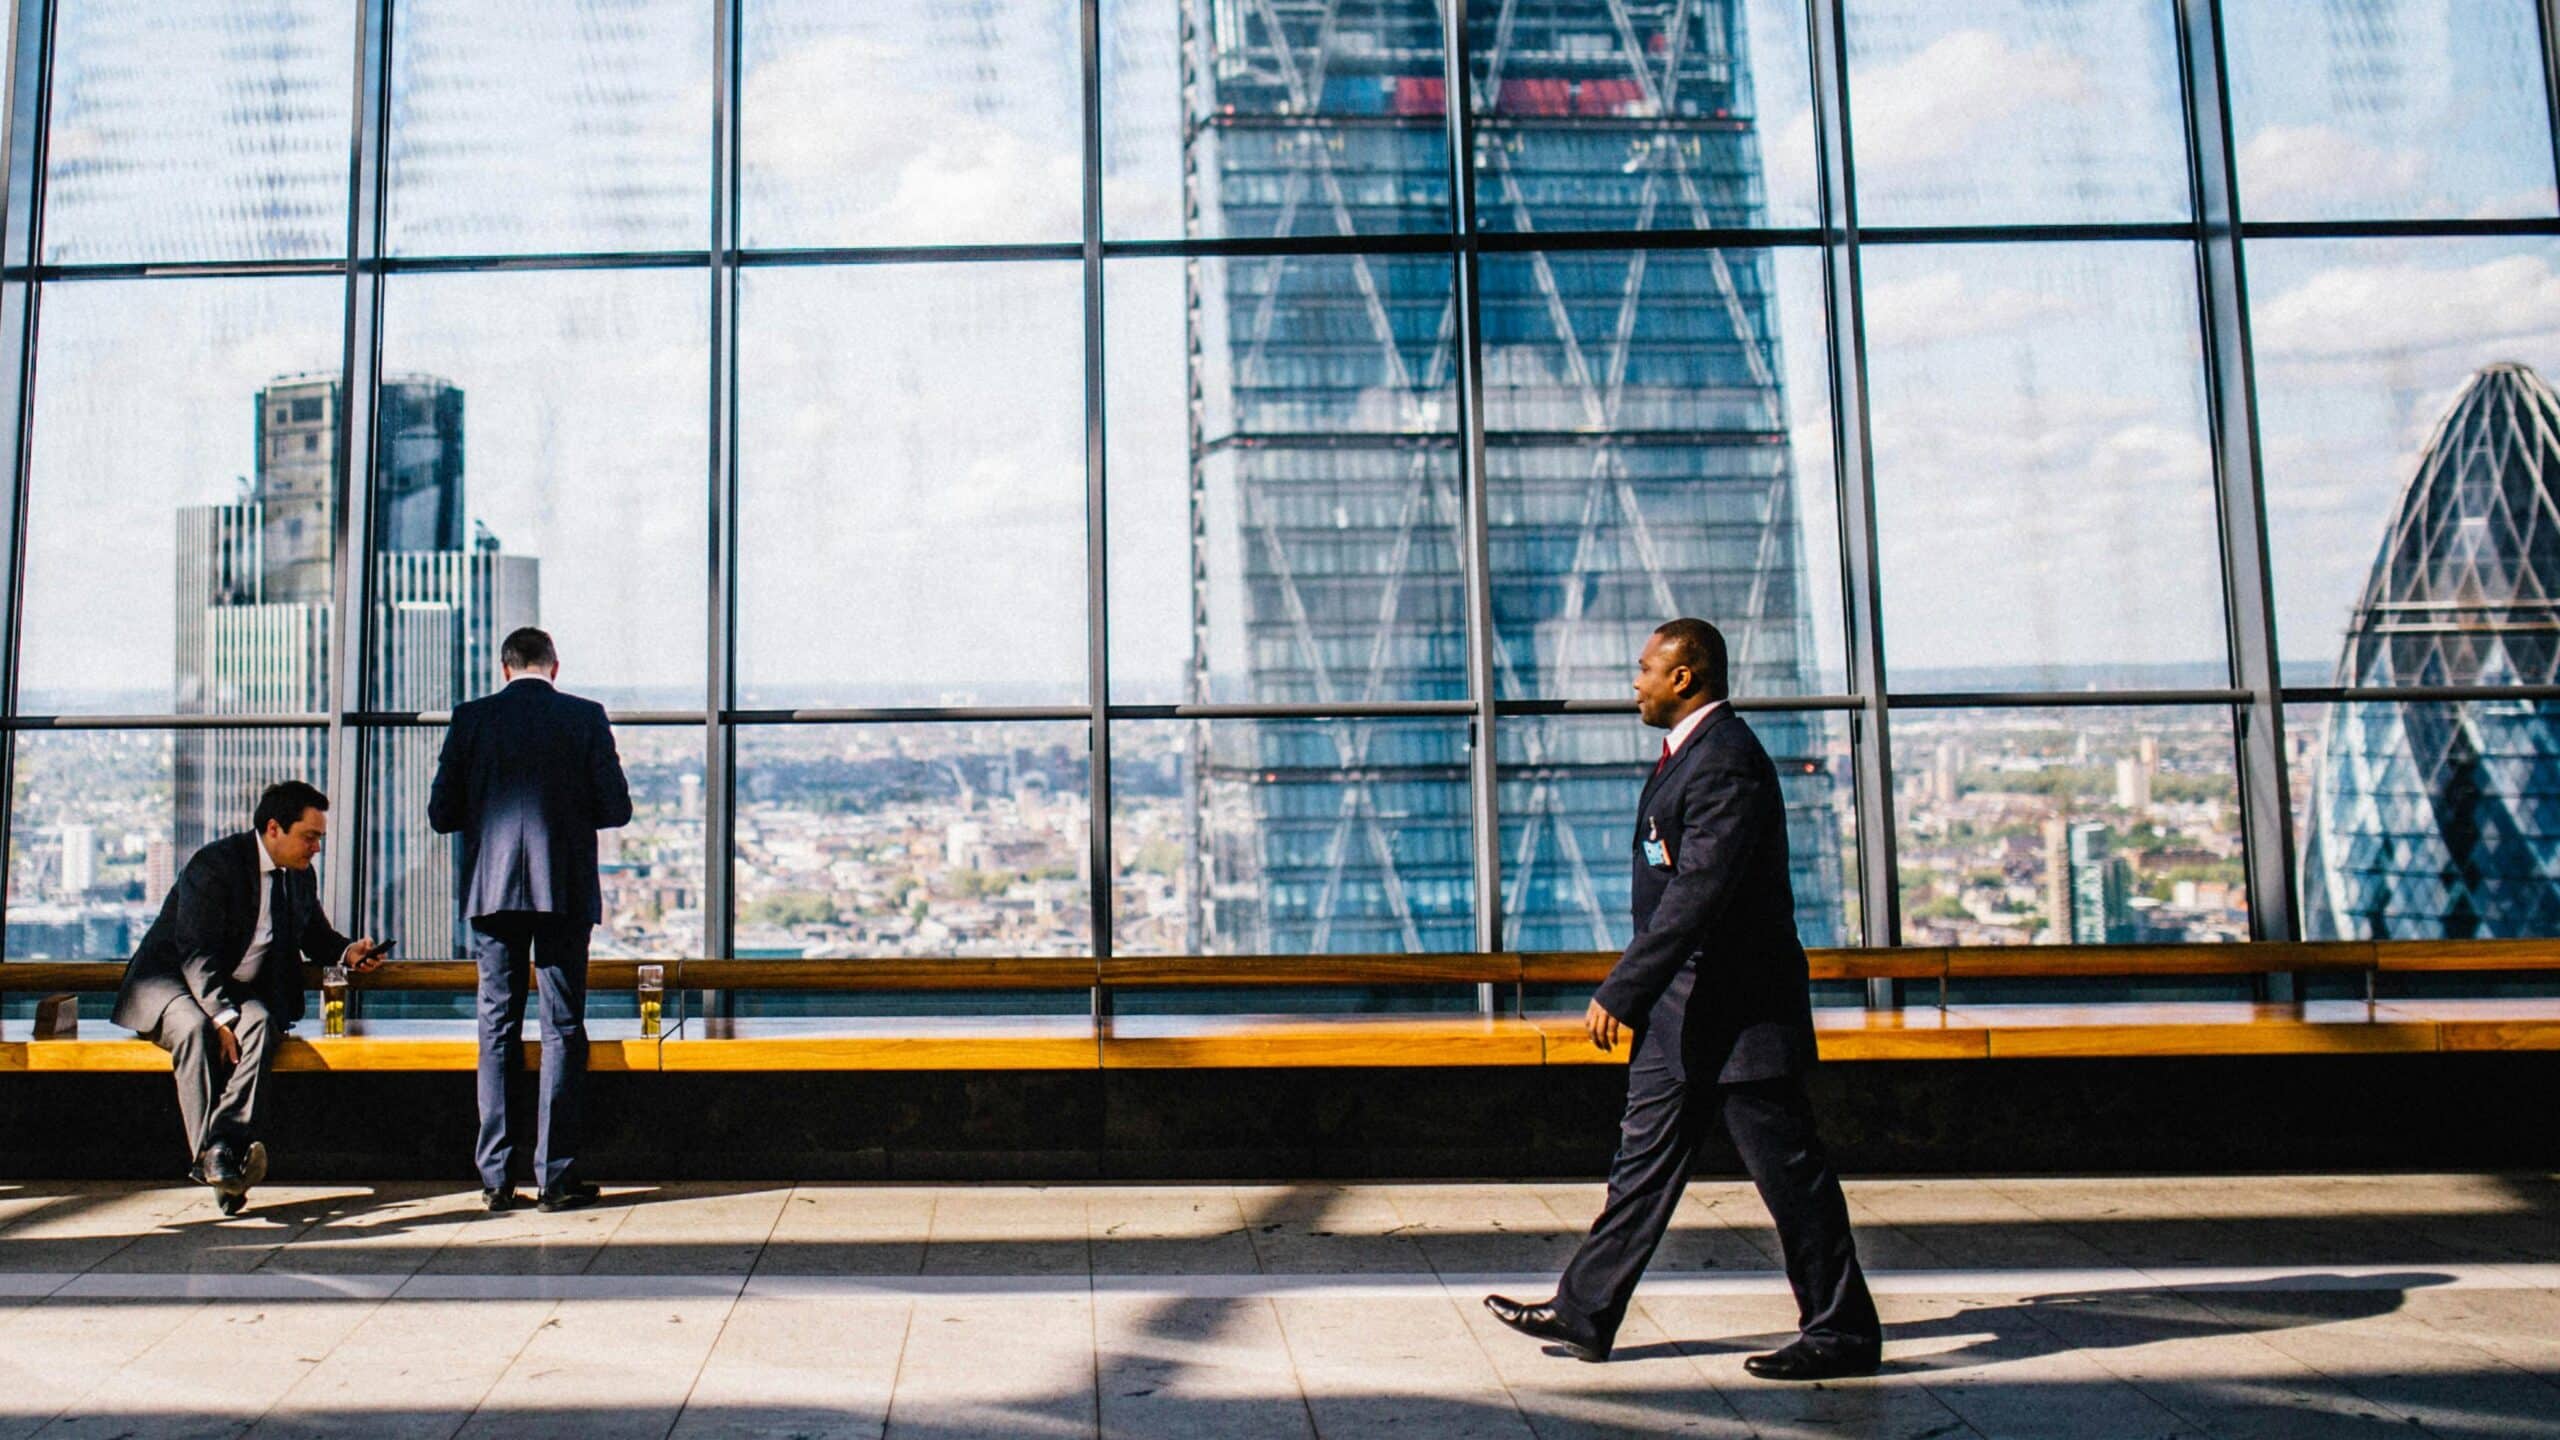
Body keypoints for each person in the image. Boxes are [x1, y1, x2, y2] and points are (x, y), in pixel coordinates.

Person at [1485, 618, 1881, 1380]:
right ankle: (1584, 1310)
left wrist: (1624, 988)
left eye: (1644, 670)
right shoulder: (1692, 756)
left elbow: (1699, 892)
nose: (1633, 683)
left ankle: (1843, 1331)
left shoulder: (1725, 761)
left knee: (1791, 1178)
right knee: (1640, 1166)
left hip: (1736, 1016)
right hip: (1683, 1016)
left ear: (1685, 678)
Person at [111, 781, 387, 1215]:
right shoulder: (215, 865)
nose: (316, 847)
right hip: (169, 981)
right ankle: (222, 1160)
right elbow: (194, 952)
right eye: (309, 836)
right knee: (196, 1029)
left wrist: (348, 951)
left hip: (230, 988)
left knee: (261, 1023)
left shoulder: (298, 875)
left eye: (319, 838)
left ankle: (220, 1153)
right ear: (274, 828)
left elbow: (315, 935)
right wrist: (222, 1017)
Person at [429, 626, 631, 1214]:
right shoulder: (585, 717)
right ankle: (556, 1177)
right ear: (555, 667)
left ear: (504, 668)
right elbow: (615, 808)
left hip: (492, 893)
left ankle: (494, 1179)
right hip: (562, 889)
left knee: (495, 1026)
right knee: (562, 1027)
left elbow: (443, 814)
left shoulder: (470, 719)